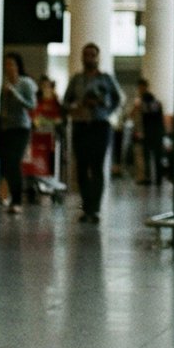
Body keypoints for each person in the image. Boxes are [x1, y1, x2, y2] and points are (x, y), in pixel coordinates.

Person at [64, 43, 122, 223]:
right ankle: (86, 207)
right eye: (86, 55)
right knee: (81, 166)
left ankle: (94, 209)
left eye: (92, 55)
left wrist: (104, 110)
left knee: (96, 167)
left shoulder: (106, 79)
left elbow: (117, 98)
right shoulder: (76, 80)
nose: (89, 58)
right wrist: (77, 107)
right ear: (82, 57)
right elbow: (66, 102)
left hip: (100, 125)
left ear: (98, 57)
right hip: (81, 125)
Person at [0, 52, 37, 214]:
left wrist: (15, 94)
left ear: (18, 66)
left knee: (14, 162)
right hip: (6, 128)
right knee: (5, 164)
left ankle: (17, 200)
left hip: (21, 128)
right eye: (6, 64)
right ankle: (6, 195)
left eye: (11, 64)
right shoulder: (4, 84)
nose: (8, 68)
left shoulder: (25, 83)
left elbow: (31, 105)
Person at [129, 79, 168, 187]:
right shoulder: (147, 101)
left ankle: (151, 178)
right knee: (152, 156)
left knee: (153, 156)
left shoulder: (150, 100)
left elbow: (149, 111)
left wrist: (139, 106)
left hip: (152, 132)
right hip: (151, 132)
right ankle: (153, 178)